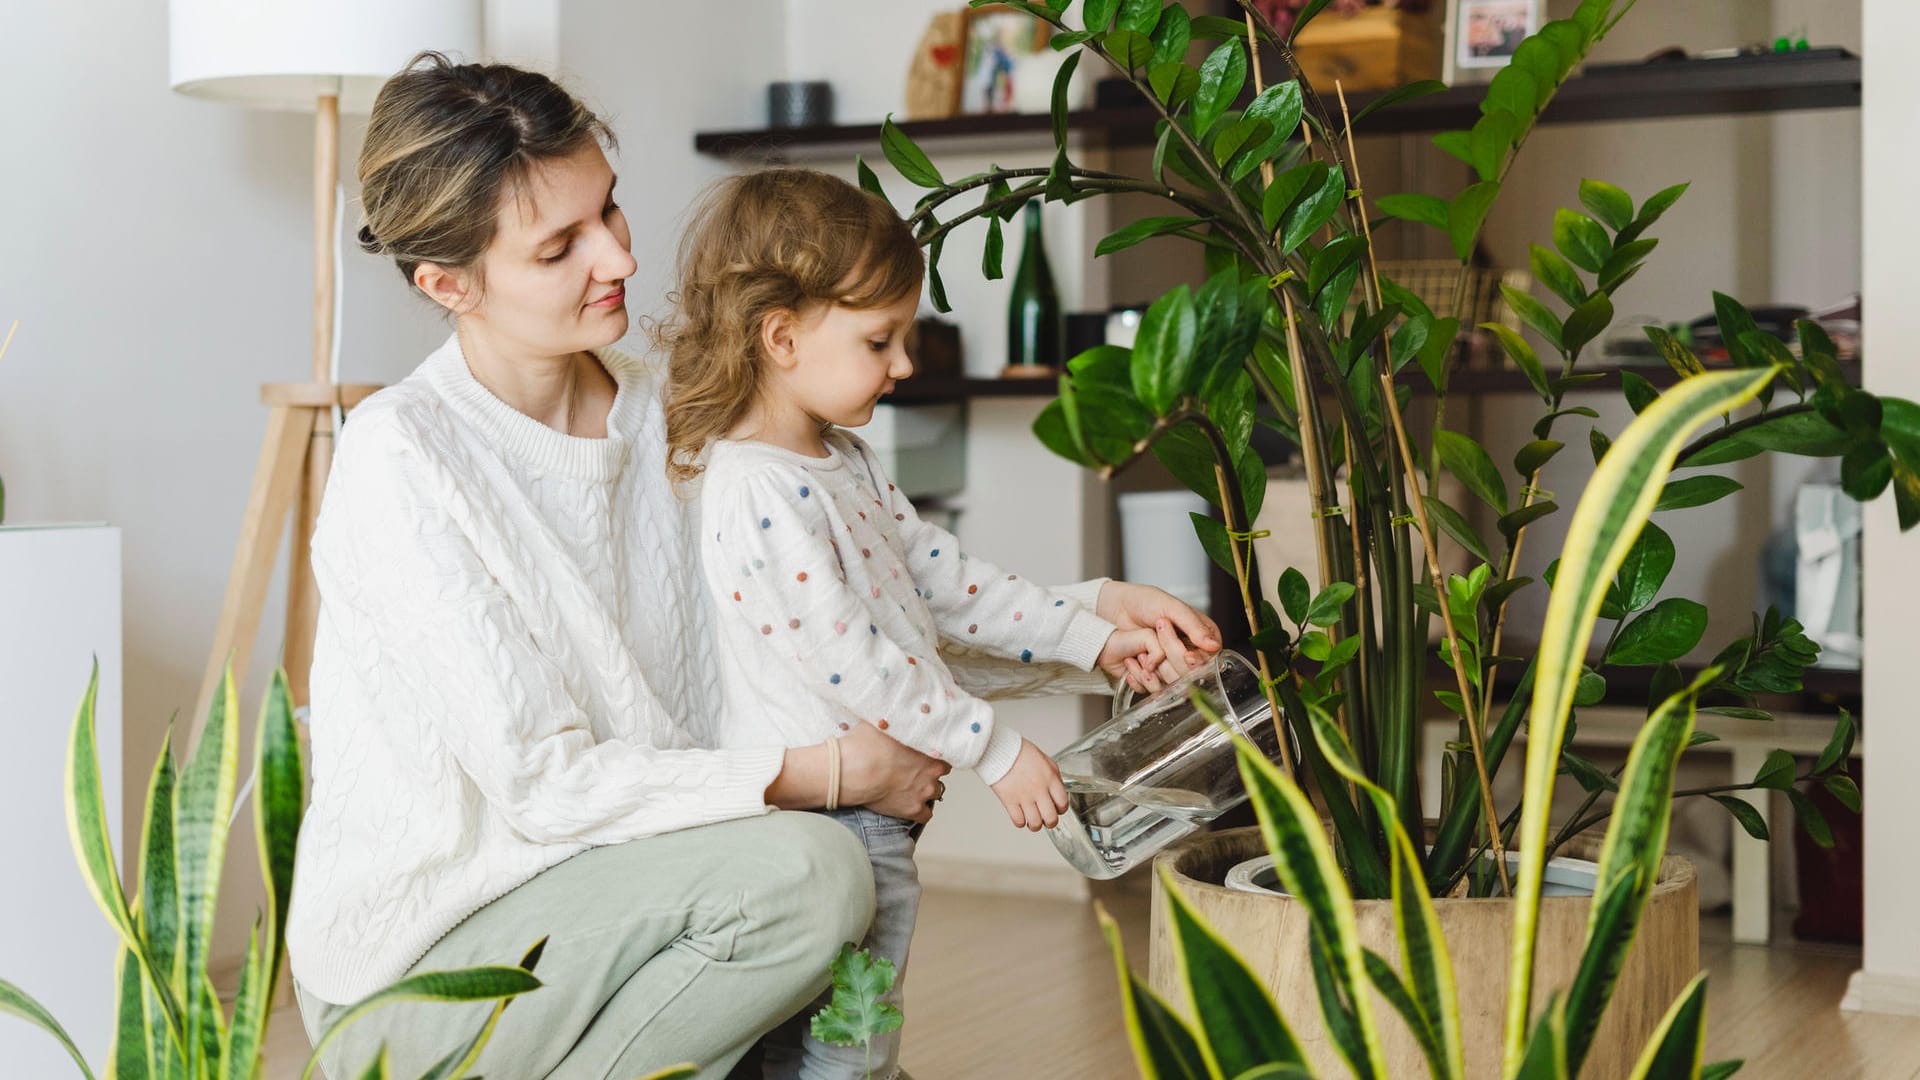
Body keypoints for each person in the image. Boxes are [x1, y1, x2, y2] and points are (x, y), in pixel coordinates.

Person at [284, 53, 1221, 1080]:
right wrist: (825, 773)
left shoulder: (682, 416)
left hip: (656, 899)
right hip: (438, 965)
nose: (617, 261)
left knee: (830, 971)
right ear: (447, 284)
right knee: (813, 879)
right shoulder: (403, 458)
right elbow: (546, 787)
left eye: (611, 209)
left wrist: (1096, 627)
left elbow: (844, 625)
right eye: (559, 248)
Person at [658, 169, 1167, 1080]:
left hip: (869, 820)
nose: (903, 364)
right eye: (879, 340)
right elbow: (859, 664)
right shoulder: (757, 489)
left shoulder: (842, 459)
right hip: (832, 824)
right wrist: (996, 749)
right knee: (850, 1041)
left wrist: (1090, 633)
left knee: (831, 1035)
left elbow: (950, 584)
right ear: (781, 338)